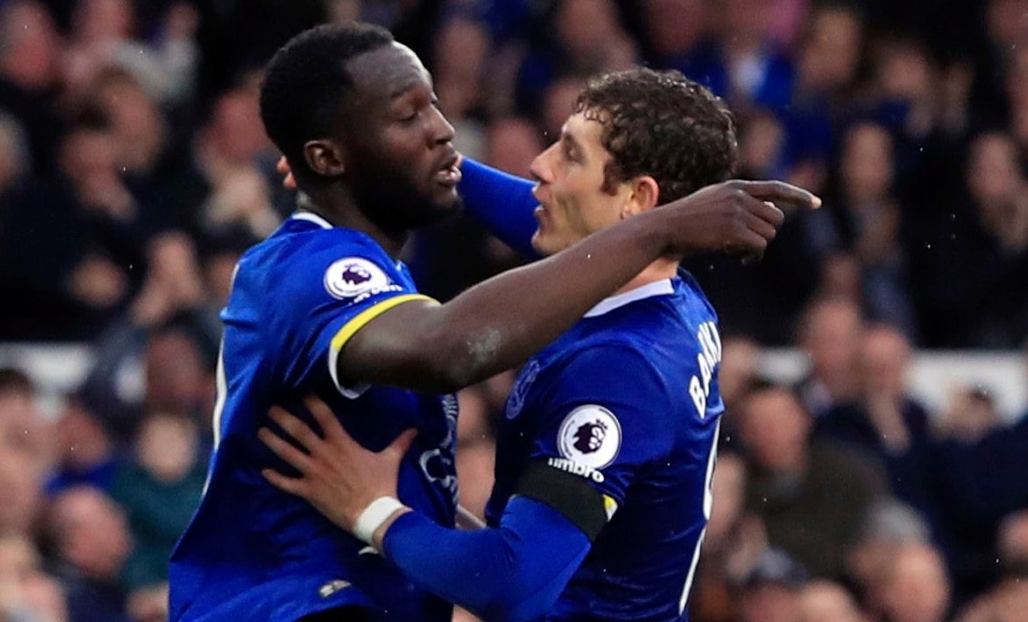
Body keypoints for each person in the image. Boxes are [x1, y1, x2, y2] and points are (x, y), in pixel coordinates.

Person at [168, 22, 817, 622]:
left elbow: (513, 581)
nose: (534, 167)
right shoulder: (312, 271)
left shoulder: (621, 360)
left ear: (636, 203)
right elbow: (457, 336)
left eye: (566, 154)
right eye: (410, 114)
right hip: (281, 604)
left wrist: (375, 510)